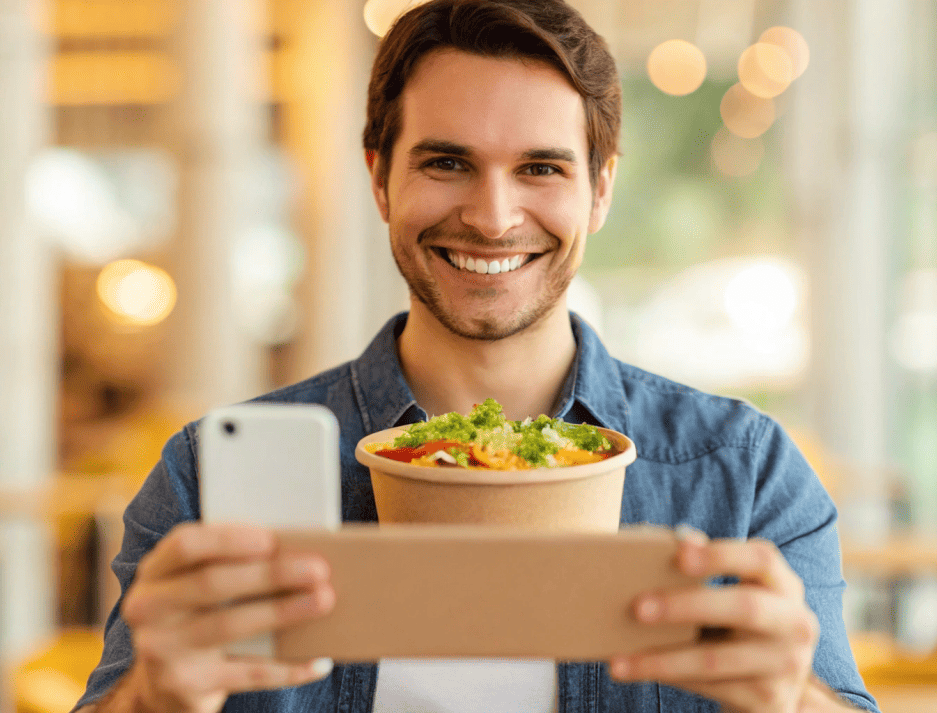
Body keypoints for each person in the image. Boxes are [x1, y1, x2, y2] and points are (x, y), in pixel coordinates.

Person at [75, 0, 880, 711]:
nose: (494, 218)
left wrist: (791, 703)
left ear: (600, 191)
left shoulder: (743, 474)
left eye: (540, 168)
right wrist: (154, 699)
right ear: (380, 177)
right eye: (447, 162)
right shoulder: (203, 480)